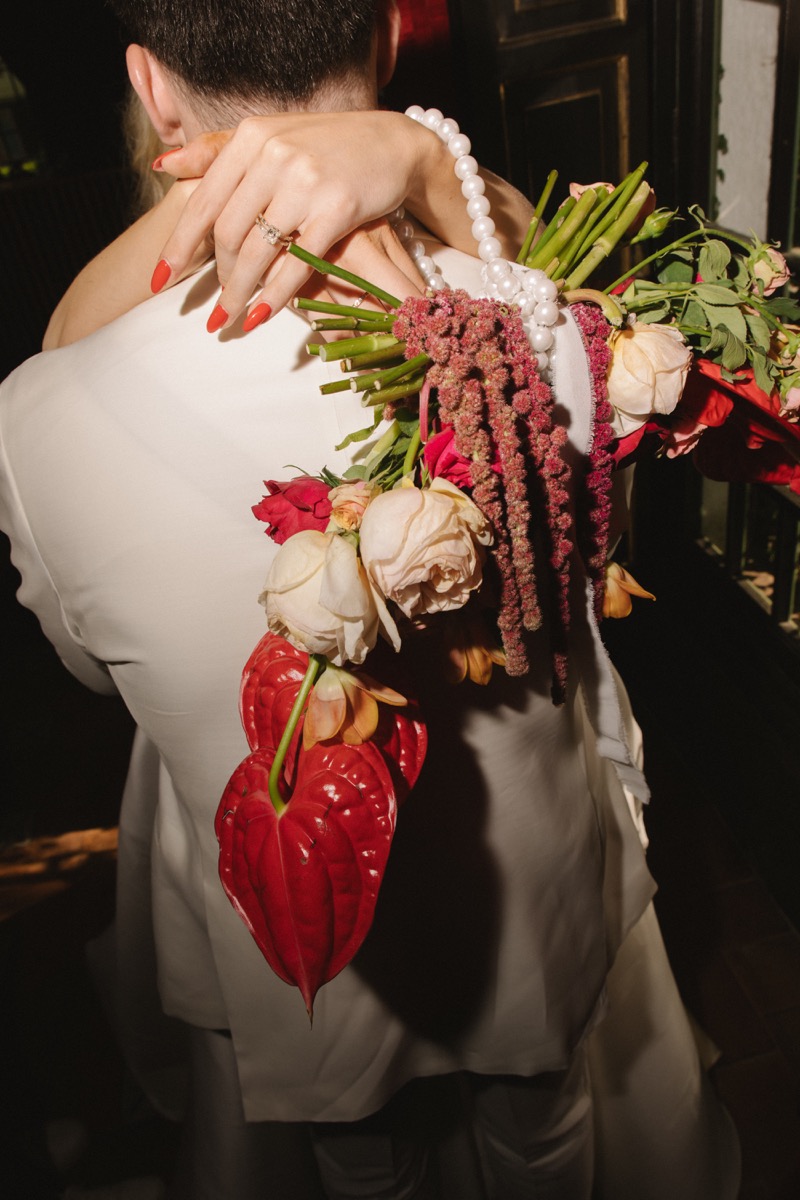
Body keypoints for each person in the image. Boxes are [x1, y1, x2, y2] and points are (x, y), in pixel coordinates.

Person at [0, 2, 740, 1197]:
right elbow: (594, 518)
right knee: (545, 1126)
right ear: (390, 41)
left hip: (295, 930)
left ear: (151, 86)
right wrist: (420, 152)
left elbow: (93, 670)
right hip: (540, 876)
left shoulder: (37, 418)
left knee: (357, 1155)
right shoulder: (552, 329)